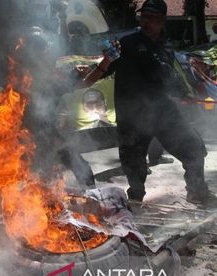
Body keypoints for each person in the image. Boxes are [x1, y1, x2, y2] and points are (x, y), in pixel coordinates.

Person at [0, 24, 101, 235]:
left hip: (47, 135)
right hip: (13, 136)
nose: (35, 52)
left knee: (78, 166)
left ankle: (97, 206)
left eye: (39, 47)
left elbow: (83, 83)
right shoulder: (9, 67)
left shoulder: (52, 74)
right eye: (31, 47)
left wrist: (105, 64)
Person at [91, 0, 216, 208]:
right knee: (134, 164)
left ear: (162, 20)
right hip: (132, 115)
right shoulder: (126, 45)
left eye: (152, 18)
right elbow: (103, 69)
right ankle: (135, 199)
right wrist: (86, 76)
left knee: (193, 148)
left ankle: (197, 192)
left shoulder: (166, 45)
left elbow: (166, 77)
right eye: (144, 17)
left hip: (161, 110)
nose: (146, 22)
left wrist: (182, 93)